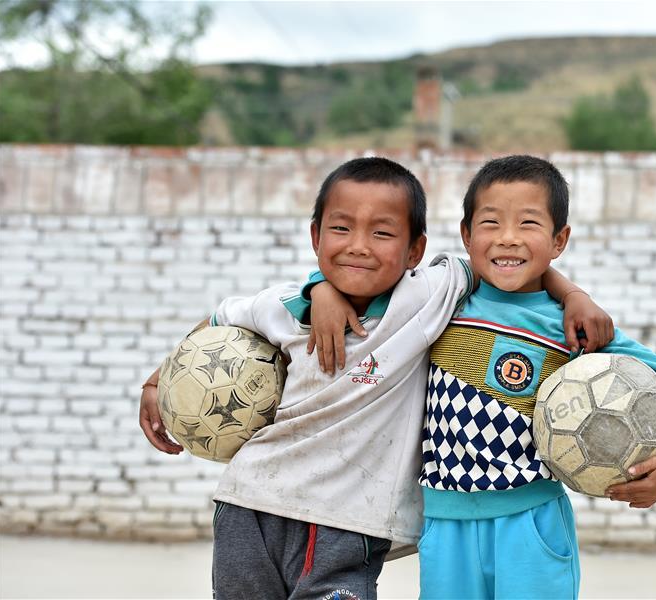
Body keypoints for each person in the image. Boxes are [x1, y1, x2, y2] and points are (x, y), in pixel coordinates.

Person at [138, 156, 615, 600]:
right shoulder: (284, 306)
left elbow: (511, 263)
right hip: (248, 502)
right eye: (341, 229)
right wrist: (159, 382)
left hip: (345, 524)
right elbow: (221, 318)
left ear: (416, 250)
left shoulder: (430, 296)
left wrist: (574, 295)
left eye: (382, 233)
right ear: (315, 238)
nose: (358, 246)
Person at [310, 155, 656, 599]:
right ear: (466, 234)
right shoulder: (443, 303)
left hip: (530, 522)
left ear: (559, 240)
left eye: (528, 224)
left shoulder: (571, 326)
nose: (507, 240)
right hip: (444, 528)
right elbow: (364, 273)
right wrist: (320, 289)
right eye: (491, 223)